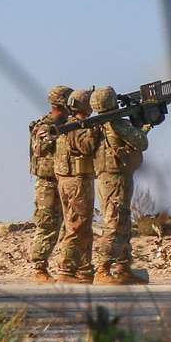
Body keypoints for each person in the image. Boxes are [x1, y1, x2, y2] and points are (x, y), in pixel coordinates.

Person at [90, 86, 150, 285]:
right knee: (115, 223)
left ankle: (123, 268)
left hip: (110, 176)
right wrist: (145, 127)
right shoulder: (116, 123)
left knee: (123, 222)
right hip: (115, 179)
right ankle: (103, 269)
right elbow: (141, 142)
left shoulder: (96, 124)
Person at [53, 89, 100, 284]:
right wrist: (97, 130)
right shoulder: (77, 126)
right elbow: (87, 147)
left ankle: (83, 268)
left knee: (82, 225)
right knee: (77, 226)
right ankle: (66, 270)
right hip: (76, 181)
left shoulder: (69, 124)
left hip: (70, 180)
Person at [28, 85, 73, 283]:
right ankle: (39, 268)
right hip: (47, 183)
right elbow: (40, 150)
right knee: (47, 225)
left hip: (65, 180)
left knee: (69, 226)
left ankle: (67, 267)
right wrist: (56, 135)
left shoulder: (67, 124)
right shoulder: (45, 126)